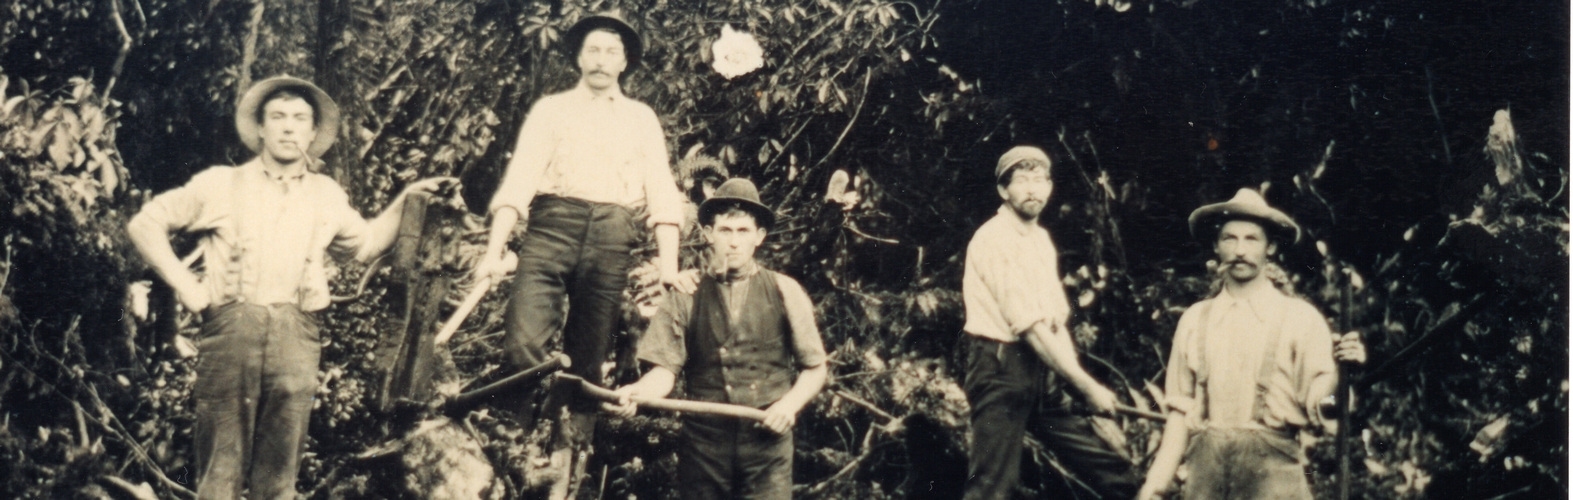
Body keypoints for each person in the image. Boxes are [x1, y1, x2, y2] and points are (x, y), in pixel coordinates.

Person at [127, 76, 448, 500]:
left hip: (297, 338)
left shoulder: (326, 194)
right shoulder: (220, 183)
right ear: (260, 128)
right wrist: (187, 285)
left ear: (313, 134)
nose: (288, 127)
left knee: (279, 479)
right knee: (219, 474)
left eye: (300, 119)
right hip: (231, 333)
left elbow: (366, 245)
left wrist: (408, 197)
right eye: (277, 117)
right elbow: (144, 223)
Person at [471, 13, 688, 424]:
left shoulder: (641, 119)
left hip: (611, 238)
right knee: (522, 347)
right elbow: (517, 186)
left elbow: (662, 194)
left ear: (625, 62)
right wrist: (493, 252)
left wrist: (669, 266)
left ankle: (565, 458)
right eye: (593, 50)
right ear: (578, 57)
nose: (601, 61)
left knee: (587, 360)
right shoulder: (551, 111)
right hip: (552, 229)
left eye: (611, 52)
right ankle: (511, 443)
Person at [1136, 188, 1367, 500]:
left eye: (1251, 239)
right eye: (1230, 238)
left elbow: (1324, 409)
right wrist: (1154, 487)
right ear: (1216, 246)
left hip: (1274, 485)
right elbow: (1179, 418)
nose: (1240, 250)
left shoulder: (1300, 319)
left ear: (1270, 247)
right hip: (1206, 484)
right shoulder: (1193, 321)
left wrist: (1342, 373)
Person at [606, 178, 829, 500]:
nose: (734, 242)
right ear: (709, 234)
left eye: (743, 232)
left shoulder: (785, 290)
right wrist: (636, 393)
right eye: (725, 231)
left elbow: (815, 368)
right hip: (704, 448)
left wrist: (789, 406)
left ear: (759, 237)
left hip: (767, 446)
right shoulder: (685, 294)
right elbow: (664, 373)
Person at [958, 146, 1142, 500]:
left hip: (1042, 375)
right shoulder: (994, 239)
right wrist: (1088, 386)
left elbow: (1054, 323)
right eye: (1022, 181)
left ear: (1050, 186)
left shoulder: (1040, 239)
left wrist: (1072, 380)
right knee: (992, 489)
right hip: (1000, 371)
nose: (1033, 190)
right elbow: (1029, 327)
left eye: (1040, 180)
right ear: (1003, 190)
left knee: (1114, 473)